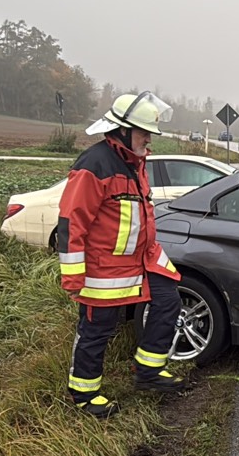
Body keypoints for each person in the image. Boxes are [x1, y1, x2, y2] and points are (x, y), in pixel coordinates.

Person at [58, 92, 187, 419]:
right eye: (144, 132)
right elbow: (72, 222)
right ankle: (84, 394)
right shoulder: (95, 164)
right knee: (97, 329)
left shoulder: (135, 162)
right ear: (123, 130)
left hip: (142, 260)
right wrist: (73, 276)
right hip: (103, 268)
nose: (149, 139)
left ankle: (149, 370)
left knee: (169, 301)